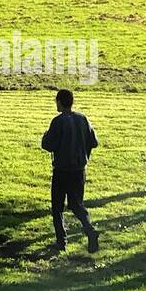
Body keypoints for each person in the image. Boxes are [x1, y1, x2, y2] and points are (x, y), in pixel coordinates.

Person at [41, 89, 100, 253]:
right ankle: (90, 230)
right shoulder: (83, 119)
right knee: (76, 205)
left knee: (57, 207)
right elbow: (94, 142)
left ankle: (61, 241)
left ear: (60, 102)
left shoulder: (58, 121)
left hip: (62, 170)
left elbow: (48, 145)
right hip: (79, 170)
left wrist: (45, 135)